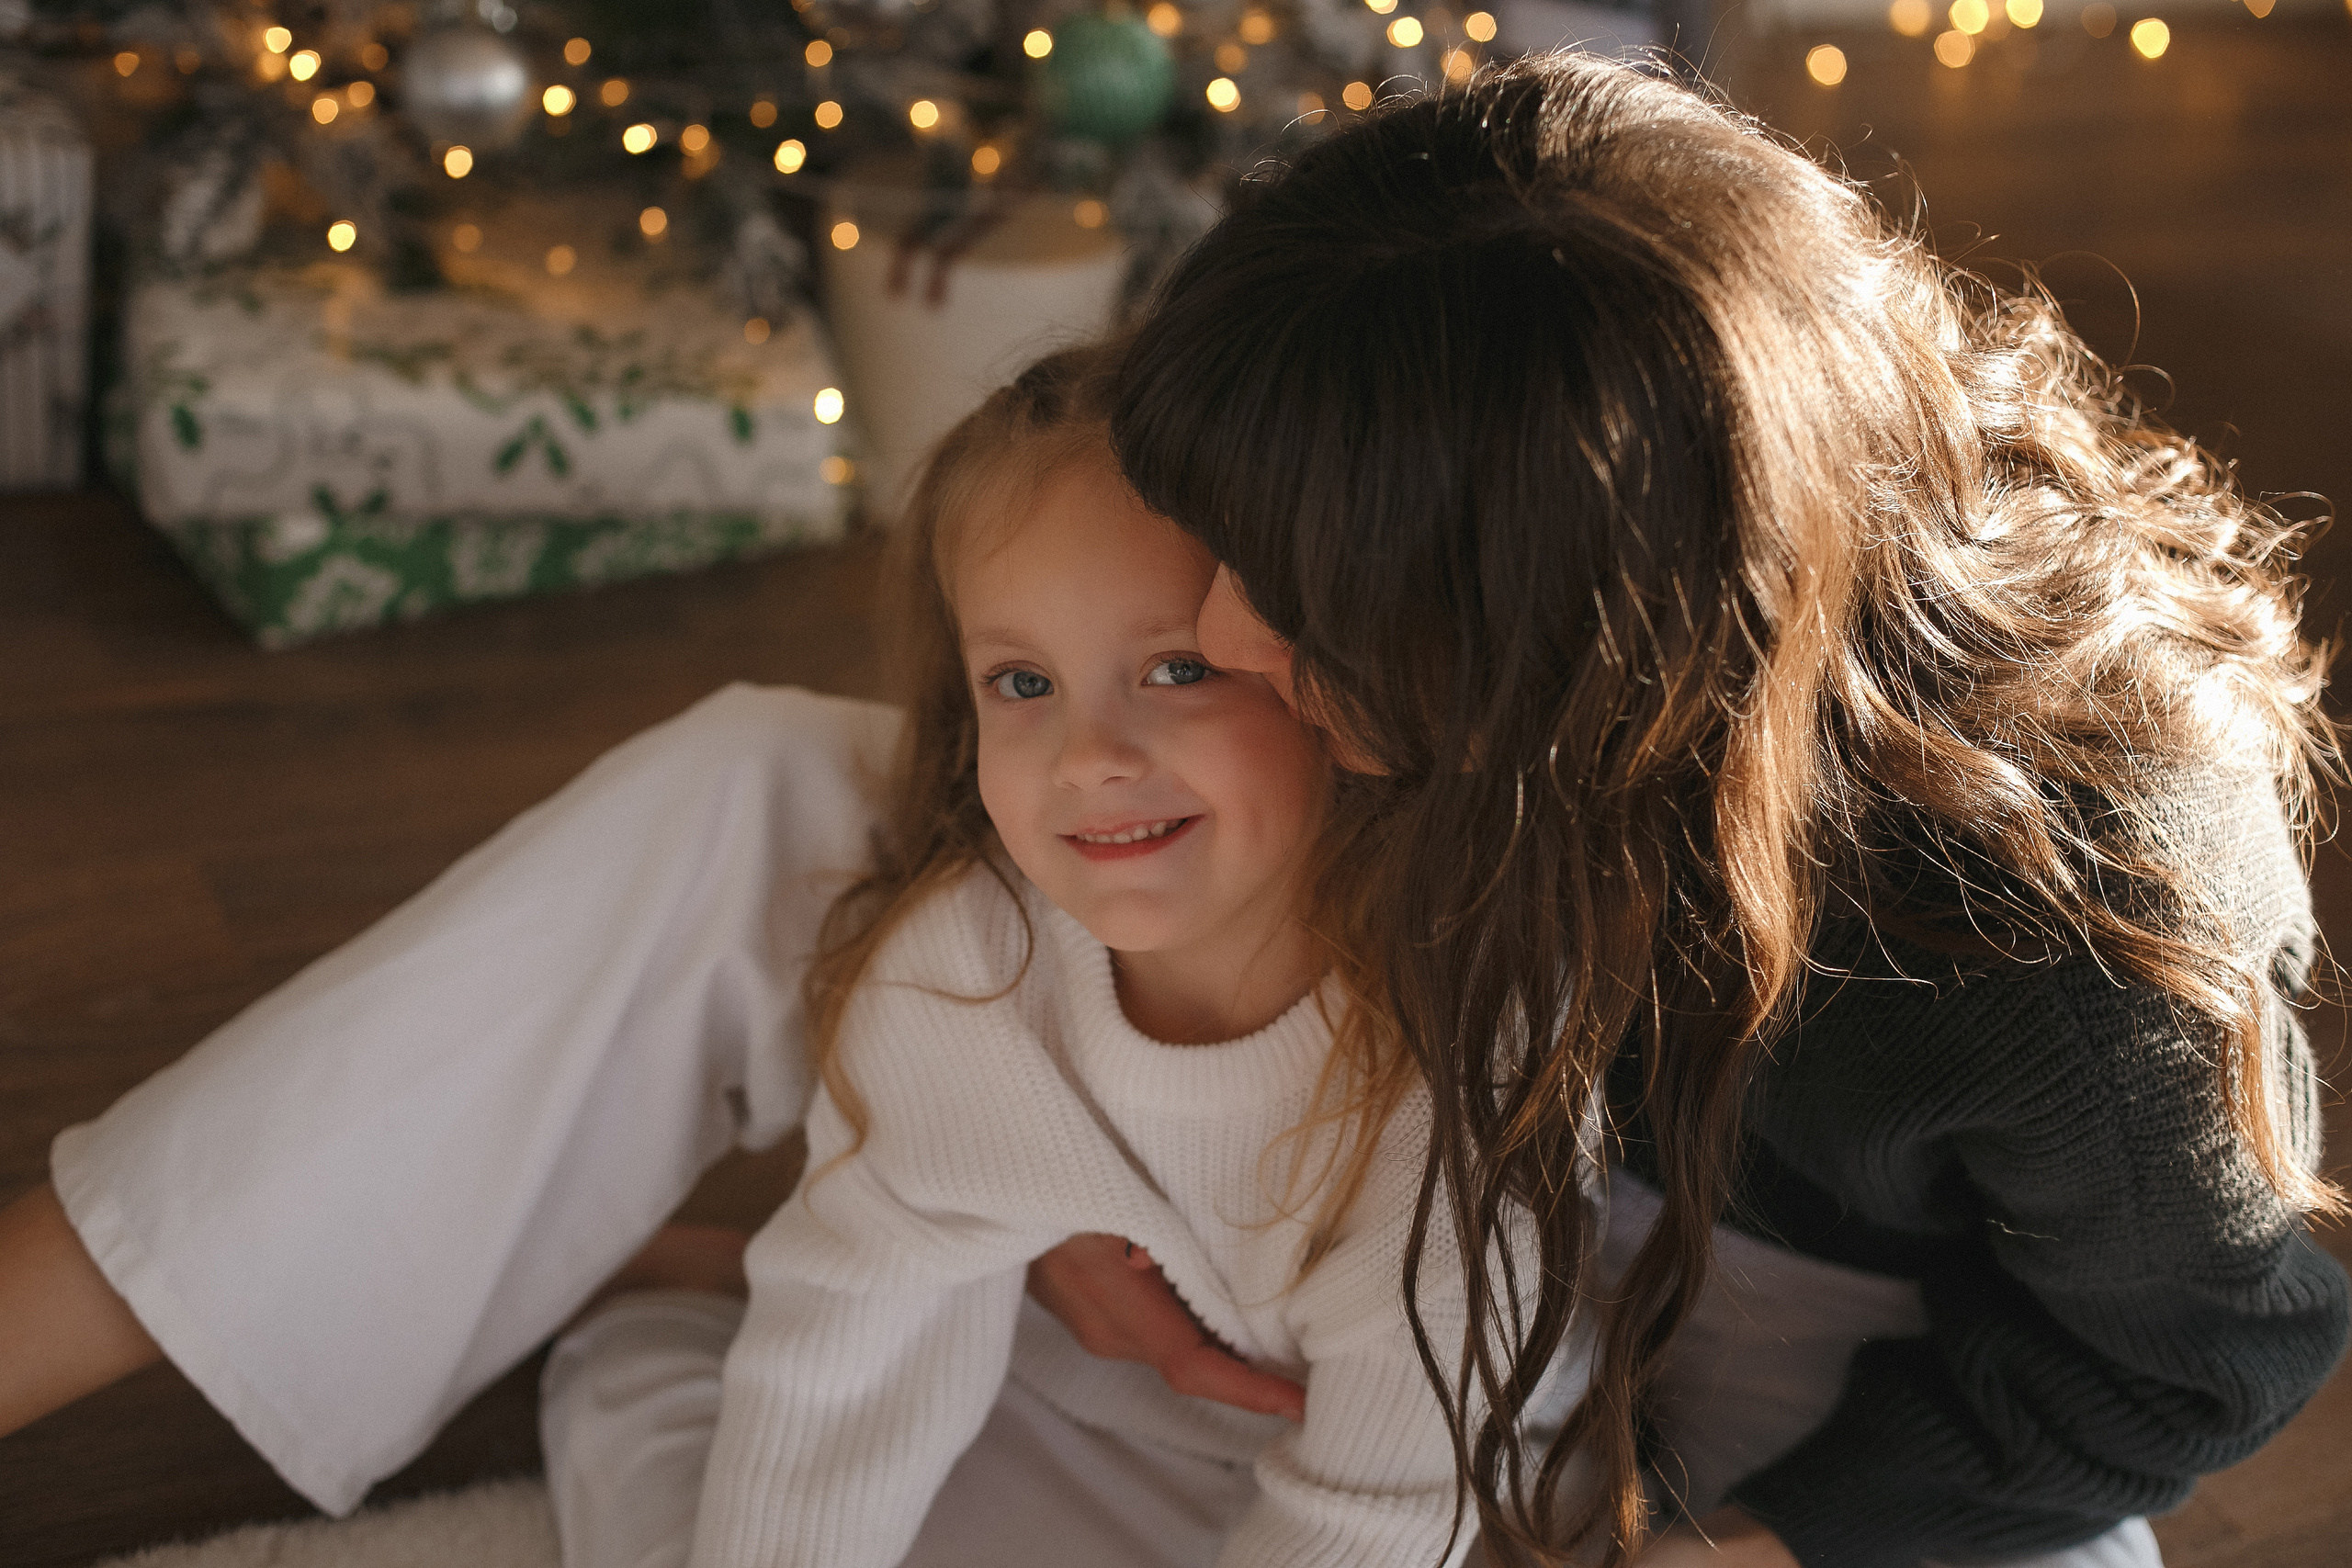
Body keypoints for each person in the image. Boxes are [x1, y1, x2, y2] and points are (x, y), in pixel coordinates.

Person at [2, 49, 2343, 1568]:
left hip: (1743, 1313)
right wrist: (1077, 1147)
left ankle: (655, 1256)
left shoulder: (2068, 933)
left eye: (1296, 603)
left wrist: (1743, 1539)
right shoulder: (1376, 623)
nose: (1223, 616)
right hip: (1355, 1088)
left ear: (1582, 650)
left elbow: (2200, 1343)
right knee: (750, 787)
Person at [540, 344, 1530, 1568]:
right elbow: (847, 1366)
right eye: (1023, 682)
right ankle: (680, 1305)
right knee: (632, 1385)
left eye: (1178, 670)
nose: (1087, 754)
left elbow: (1384, 1509)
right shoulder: (963, 973)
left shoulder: (1451, 1047)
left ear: (1334, 676)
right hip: (1082, 1420)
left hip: (1449, 1500)